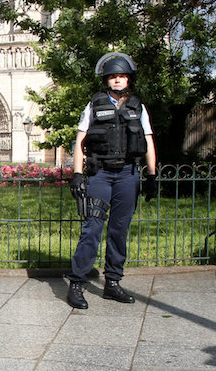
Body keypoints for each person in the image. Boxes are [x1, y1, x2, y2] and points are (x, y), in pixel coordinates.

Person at [66, 52, 157, 310]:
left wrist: (151, 175)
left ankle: (113, 282)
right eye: (113, 76)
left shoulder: (138, 107)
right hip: (100, 174)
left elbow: (148, 141)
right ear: (107, 80)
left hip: (128, 174)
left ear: (129, 79)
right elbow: (80, 140)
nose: (117, 80)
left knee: (119, 230)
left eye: (122, 76)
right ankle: (76, 283)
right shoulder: (94, 105)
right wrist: (77, 174)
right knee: (92, 228)